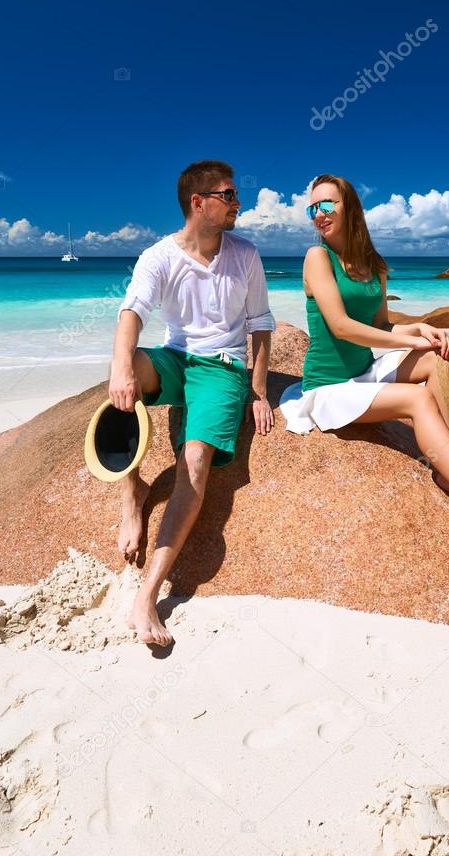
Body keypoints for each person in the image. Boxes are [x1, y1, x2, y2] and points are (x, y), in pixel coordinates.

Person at [278, 173, 449, 563]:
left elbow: (381, 326)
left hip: (363, 376)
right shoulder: (318, 258)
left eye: (327, 204)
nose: (319, 214)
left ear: (350, 208)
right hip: (328, 389)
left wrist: (419, 329)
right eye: (312, 208)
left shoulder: (373, 265)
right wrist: (407, 340)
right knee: (416, 399)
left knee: (436, 356)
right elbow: (342, 327)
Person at [109, 159, 276, 646]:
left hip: (222, 369)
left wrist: (258, 390)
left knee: (196, 463)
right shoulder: (159, 256)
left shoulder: (245, 255)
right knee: (123, 369)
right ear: (197, 203)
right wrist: (124, 370)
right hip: (176, 358)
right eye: (228, 196)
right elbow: (131, 314)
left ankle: (147, 597)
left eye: (235, 196)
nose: (238, 204)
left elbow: (261, 324)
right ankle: (131, 493)